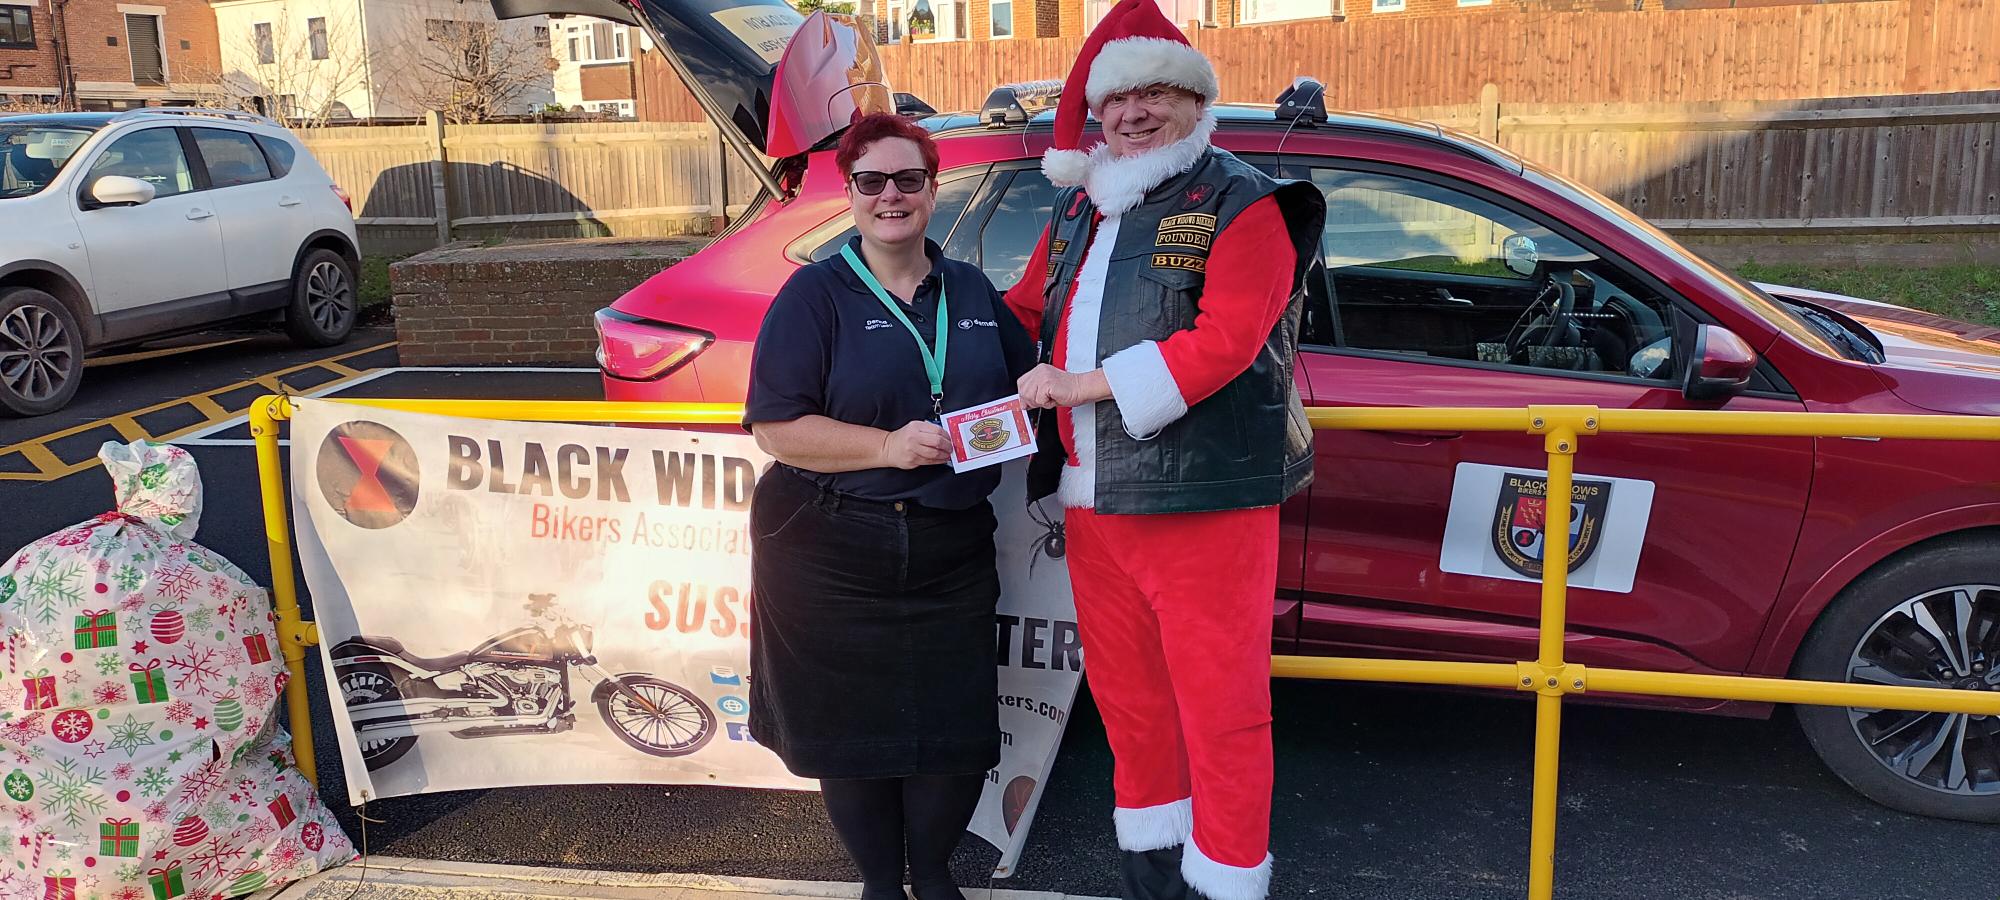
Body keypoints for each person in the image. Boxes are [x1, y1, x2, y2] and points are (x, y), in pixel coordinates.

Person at [999, 2, 1327, 899]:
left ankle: (1225, 881)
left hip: (1203, 505)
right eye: (1116, 99)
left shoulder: (1246, 201)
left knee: (1222, 714)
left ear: (1195, 102)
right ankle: (1153, 877)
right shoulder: (1080, 205)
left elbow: (1227, 341)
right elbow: (1024, 313)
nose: (1133, 113)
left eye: (1155, 94)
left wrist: (1082, 386)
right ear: (1095, 113)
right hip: (1092, 504)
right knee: (1132, 708)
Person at [743, 112, 1038, 900]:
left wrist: (1047, 397)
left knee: (955, 730)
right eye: (871, 181)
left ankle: (933, 876)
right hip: (830, 550)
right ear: (851, 193)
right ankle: (879, 883)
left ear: (933, 191)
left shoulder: (970, 289)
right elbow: (776, 428)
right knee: (851, 734)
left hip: (950, 549)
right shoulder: (815, 294)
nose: (891, 196)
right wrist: (885, 446)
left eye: (909, 179)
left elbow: (1025, 386)